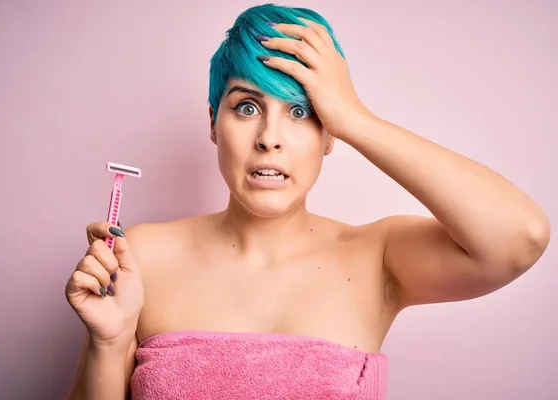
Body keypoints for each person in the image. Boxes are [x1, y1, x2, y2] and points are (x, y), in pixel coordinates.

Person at [63, 4, 550, 400]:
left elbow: (519, 237)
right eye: (247, 107)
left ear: (329, 133)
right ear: (213, 122)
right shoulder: (139, 258)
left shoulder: (378, 257)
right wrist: (109, 342)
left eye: (301, 111)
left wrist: (355, 118)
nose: (269, 138)